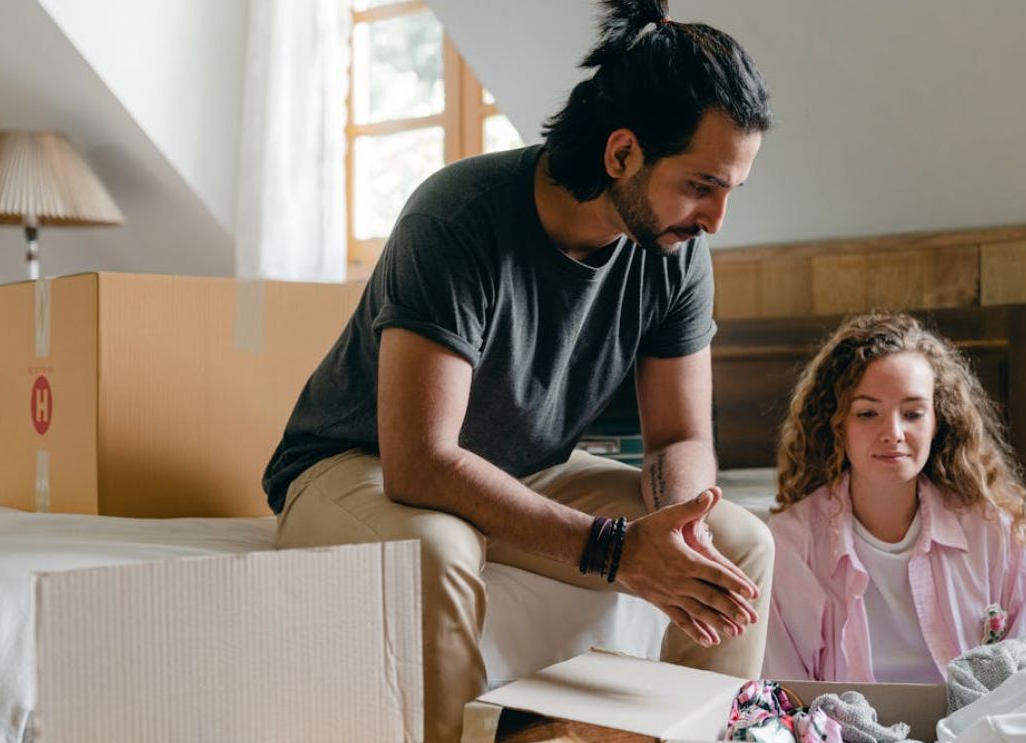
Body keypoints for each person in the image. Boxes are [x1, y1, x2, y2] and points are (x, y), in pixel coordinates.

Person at [262, 1, 774, 739]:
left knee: (739, 541)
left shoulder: (675, 251)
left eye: (731, 189)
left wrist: (679, 530)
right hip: (357, 466)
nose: (716, 219)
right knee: (436, 548)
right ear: (622, 153)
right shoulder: (457, 218)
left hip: (520, 471)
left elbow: (678, 436)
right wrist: (612, 549)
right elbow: (420, 463)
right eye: (700, 185)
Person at [763, 313, 1026, 683]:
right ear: (837, 423)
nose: (893, 433)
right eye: (868, 413)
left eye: (912, 413)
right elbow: (783, 695)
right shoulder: (788, 545)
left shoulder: (993, 531)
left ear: (938, 420)